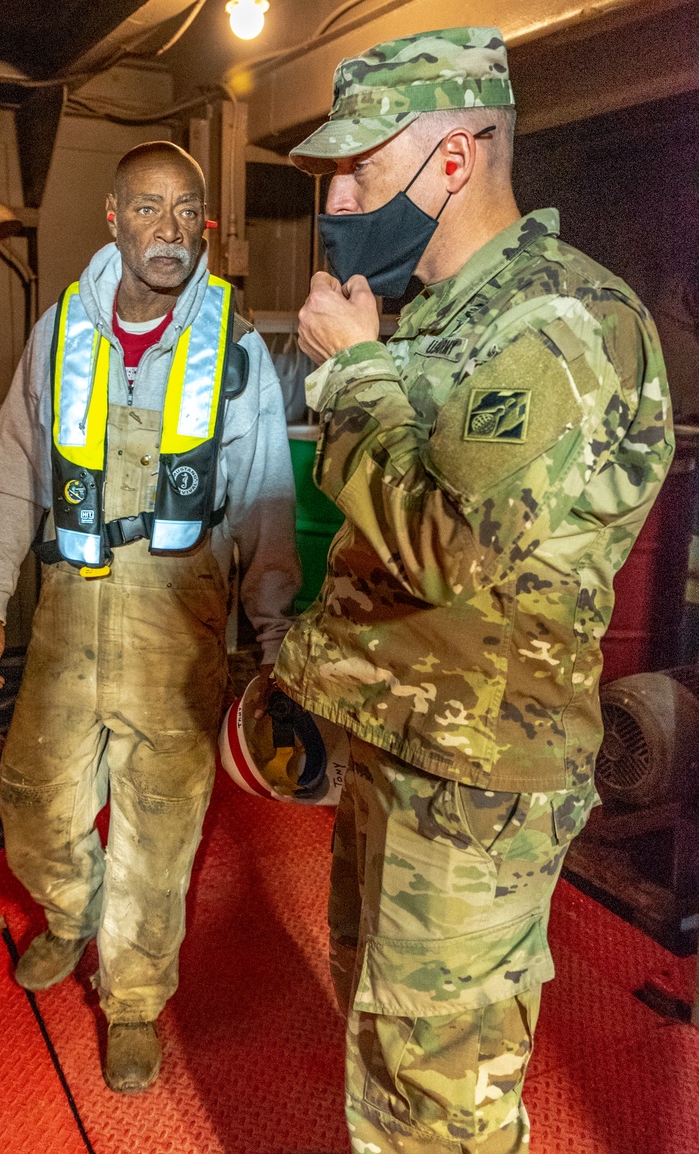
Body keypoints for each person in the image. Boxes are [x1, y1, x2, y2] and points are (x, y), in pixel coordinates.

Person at [272, 27, 672, 1154]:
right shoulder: (443, 318)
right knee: (384, 1047)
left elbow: (452, 546)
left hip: (477, 780)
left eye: (360, 164)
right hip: (405, 745)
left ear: (455, 158)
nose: (339, 195)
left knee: (439, 1104)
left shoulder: (554, 321)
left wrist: (351, 371)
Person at [0, 141, 300, 1094]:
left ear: (207, 227)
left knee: (160, 828)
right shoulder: (59, 332)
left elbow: (267, 500)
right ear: (112, 219)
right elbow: (17, 471)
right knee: (32, 800)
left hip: (181, 612)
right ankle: (72, 913)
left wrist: (272, 644)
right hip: (70, 603)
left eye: (187, 212)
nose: (170, 231)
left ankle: (136, 998)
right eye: (148, 210)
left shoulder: (234, 352)